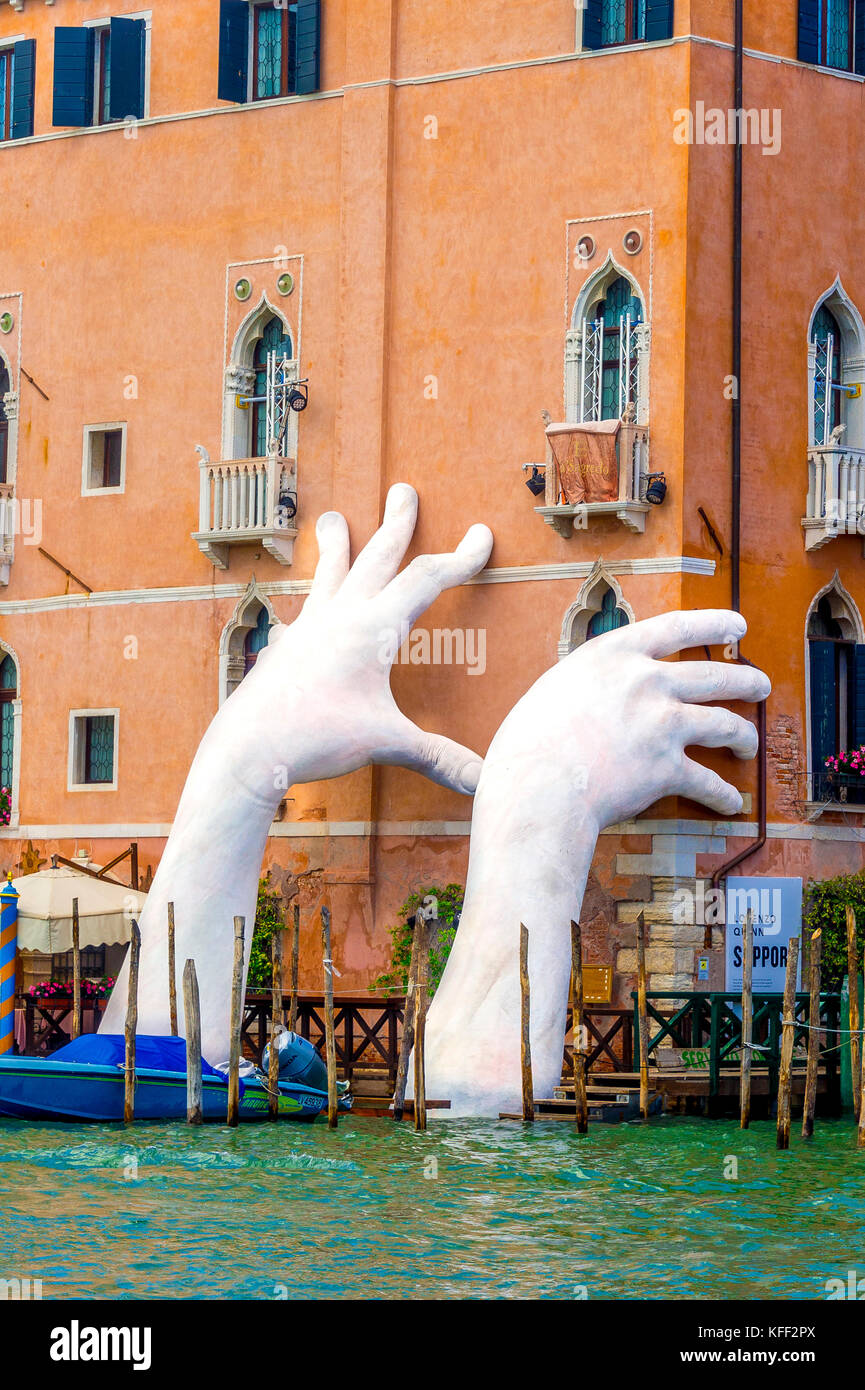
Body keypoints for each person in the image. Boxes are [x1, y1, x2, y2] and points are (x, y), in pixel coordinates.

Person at [100, 485, 770, 1115]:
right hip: (457, 1107)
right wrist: (540, 795)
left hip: (432, 1110)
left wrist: (238, 766)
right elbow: (471, 1106)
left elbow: (462, 1109)